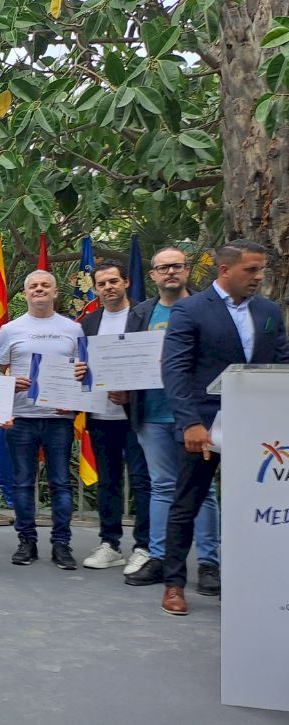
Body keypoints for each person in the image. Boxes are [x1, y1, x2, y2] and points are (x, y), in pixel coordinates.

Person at [159, 240, 289, 616]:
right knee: (187, 503)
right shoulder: (190, 310)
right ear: (225, 270)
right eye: (251, 269)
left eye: (261, 269)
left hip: (257, 428)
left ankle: (251, 582)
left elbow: (282, 361)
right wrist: (190, 423)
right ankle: (174, 584)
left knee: (253, 503)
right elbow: (175, 370)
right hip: (205, 428)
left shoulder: (268, 311)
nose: (259, 276)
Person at [122, 248, 220, 588]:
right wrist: (119, 385)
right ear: (153, 275)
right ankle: (160, 558)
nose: (170, 272)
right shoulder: (140, 313)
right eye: (162, 268)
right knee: (162, 486)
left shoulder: (208, 309)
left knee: (203, 490)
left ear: (187, 270)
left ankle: (209, 564)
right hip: (152, 412)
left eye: (176, 266)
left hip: (197, 415)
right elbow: (128, 357)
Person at [0, 269, 83, 571]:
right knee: (22, 483)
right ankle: (27, 542)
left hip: (59, 418)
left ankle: (62, 544)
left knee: (61, 483)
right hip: (22, 417)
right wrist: (9, 384)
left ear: (55, 292)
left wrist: (74, 397)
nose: (39, 289)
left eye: (46, 285)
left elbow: (84, 372)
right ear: (25, 293)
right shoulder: (9, 330)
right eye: (33, 286)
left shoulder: (74, 329)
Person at [77, 263, 154, 572]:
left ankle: (144, 546)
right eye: (102, 283)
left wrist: (130, 394)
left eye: (113, 281)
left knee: (142, 481)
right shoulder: (88, 322)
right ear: (95, 289)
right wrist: (79, 371)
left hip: (136, 416)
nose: (108, 287)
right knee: (107, 482)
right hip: (99, 414)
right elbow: (83, 364)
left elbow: (151, 363)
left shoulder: (143, 317)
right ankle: (109, 543)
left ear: (126, 282)